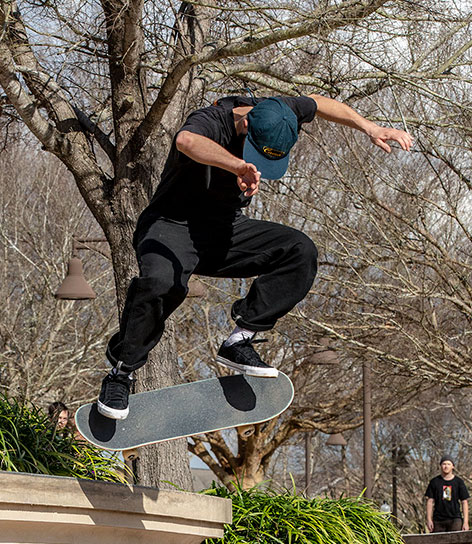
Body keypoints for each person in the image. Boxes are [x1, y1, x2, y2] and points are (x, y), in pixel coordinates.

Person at [96, 92, 413, 419]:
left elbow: (319, 103)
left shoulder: (281, 110)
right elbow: (186, 141)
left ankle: (240, 339)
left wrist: (368, 127)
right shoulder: (211, 120)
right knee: (163, 283)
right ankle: (121, 371)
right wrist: (236, 164)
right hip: (171, 226)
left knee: (299, 250)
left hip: (224, 231)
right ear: (247, 124)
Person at [425, 457, 470, 532]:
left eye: (448, 464)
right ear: (440, 466)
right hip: (438, 520)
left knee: (456, 542)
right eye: (444, 464)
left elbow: (464, 502)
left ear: (453, 466)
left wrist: (465, 522)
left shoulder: (459, 482)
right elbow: (430, 501)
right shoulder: (434, 482)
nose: (446, 466)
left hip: (455, 519)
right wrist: (429, 520)